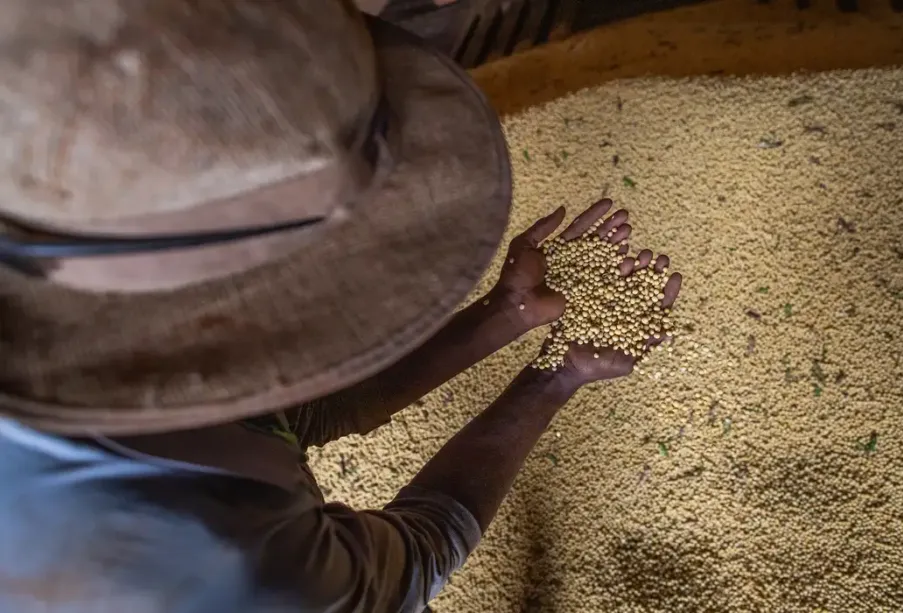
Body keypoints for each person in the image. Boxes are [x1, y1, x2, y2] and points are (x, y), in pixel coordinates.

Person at [0, 1, 681, 611]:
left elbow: (284, 413)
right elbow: (416, 556)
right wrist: (552, 379)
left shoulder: (51, 175)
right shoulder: (231, 562)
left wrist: (506, 314)